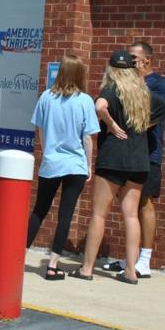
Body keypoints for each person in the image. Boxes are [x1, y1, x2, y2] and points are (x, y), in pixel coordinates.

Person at [72, 49, 151, 284]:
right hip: (139, 158)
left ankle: (87, 269)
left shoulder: (111, 88)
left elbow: (99, 107)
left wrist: (112, 125)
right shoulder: (142, 91)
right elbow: (160, 111)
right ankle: (131, 271)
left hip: (113, 158)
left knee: (99, 214)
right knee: (131, 216)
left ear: (111, 69)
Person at [103, 40, 165, 277]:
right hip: (128, 152)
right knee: (127, 206)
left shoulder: (159, 84)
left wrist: (135, 126)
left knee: (144, 203)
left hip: (149, 152)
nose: (130, 63)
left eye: (133, 58)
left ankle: (145, 259)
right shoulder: (125, 82)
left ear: (147, 60)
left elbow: (149, 113)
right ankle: (130, 258)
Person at [26, 54, 99, 279]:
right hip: (75, 165)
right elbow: (88, 138)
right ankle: (52, 265)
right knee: (65, 216)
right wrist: (89, 165)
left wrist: (47, 151)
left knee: (39, 210)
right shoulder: (85, 101)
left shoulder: (46, 97)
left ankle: (18, 255)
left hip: (51, 163)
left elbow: (40, 130)